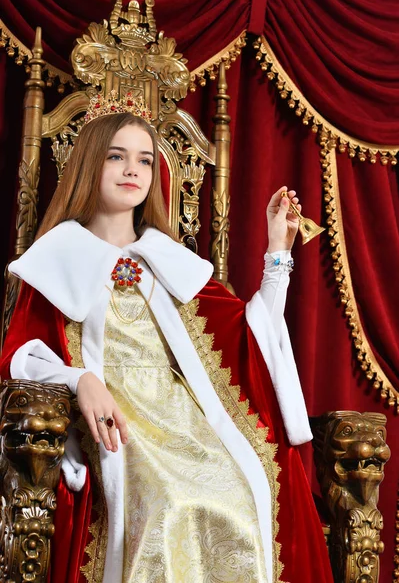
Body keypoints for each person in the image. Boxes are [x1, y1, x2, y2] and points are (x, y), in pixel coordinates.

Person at [0, 94, 333, 583]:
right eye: (117, 155)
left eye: (144, 159)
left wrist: (277, 251)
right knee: (168, 505)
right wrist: (80, 380)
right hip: (119, 423)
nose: (132, 169)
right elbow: (20, 356)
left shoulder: (165, 258)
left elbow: (250, 339)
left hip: (184, 421)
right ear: (91, 161)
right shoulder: (57, 257)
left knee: (244, 491)